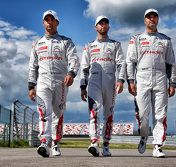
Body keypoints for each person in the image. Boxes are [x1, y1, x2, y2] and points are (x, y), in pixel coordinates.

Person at [28, 10, 80, 157]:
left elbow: (74, 60)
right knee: (44, 111)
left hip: (61, 81)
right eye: (47, 19)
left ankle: (56, 142)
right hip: (43, 81)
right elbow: (33, 66)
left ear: (57, 22)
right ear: (43, 23)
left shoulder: (66, 41)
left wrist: (71, 73)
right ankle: (44, 141)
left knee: (58, 113)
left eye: (52, 19)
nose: (49, 22)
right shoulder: (37, 43)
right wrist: (31, 86)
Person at [126, 8, 176, 158]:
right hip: (142, 76)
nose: (152, 19)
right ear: (145, 20)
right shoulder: (136, 39)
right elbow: (130, 62)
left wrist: (172, 82)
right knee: (143, 114)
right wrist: (131, 80)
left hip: (161, 77)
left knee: (160, 115)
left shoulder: (165, 40)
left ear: (158, 20)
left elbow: (171, 63)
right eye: (149, 17)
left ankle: (158, 146)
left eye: (155, 17)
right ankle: (144, 135)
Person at [80, 15, 126, 157]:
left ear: (108, 26)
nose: (103, 25)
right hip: (93, 82)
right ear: (95, 27)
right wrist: (83, 86)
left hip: (110, 81)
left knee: (109, 114)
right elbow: (84, 67)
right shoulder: (89, 46)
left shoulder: (115, 44)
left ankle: (106, 145)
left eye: (105, 23)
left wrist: (121, 80)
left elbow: (121, 63)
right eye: (100, 23)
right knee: (94, 112)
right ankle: (94, 142)